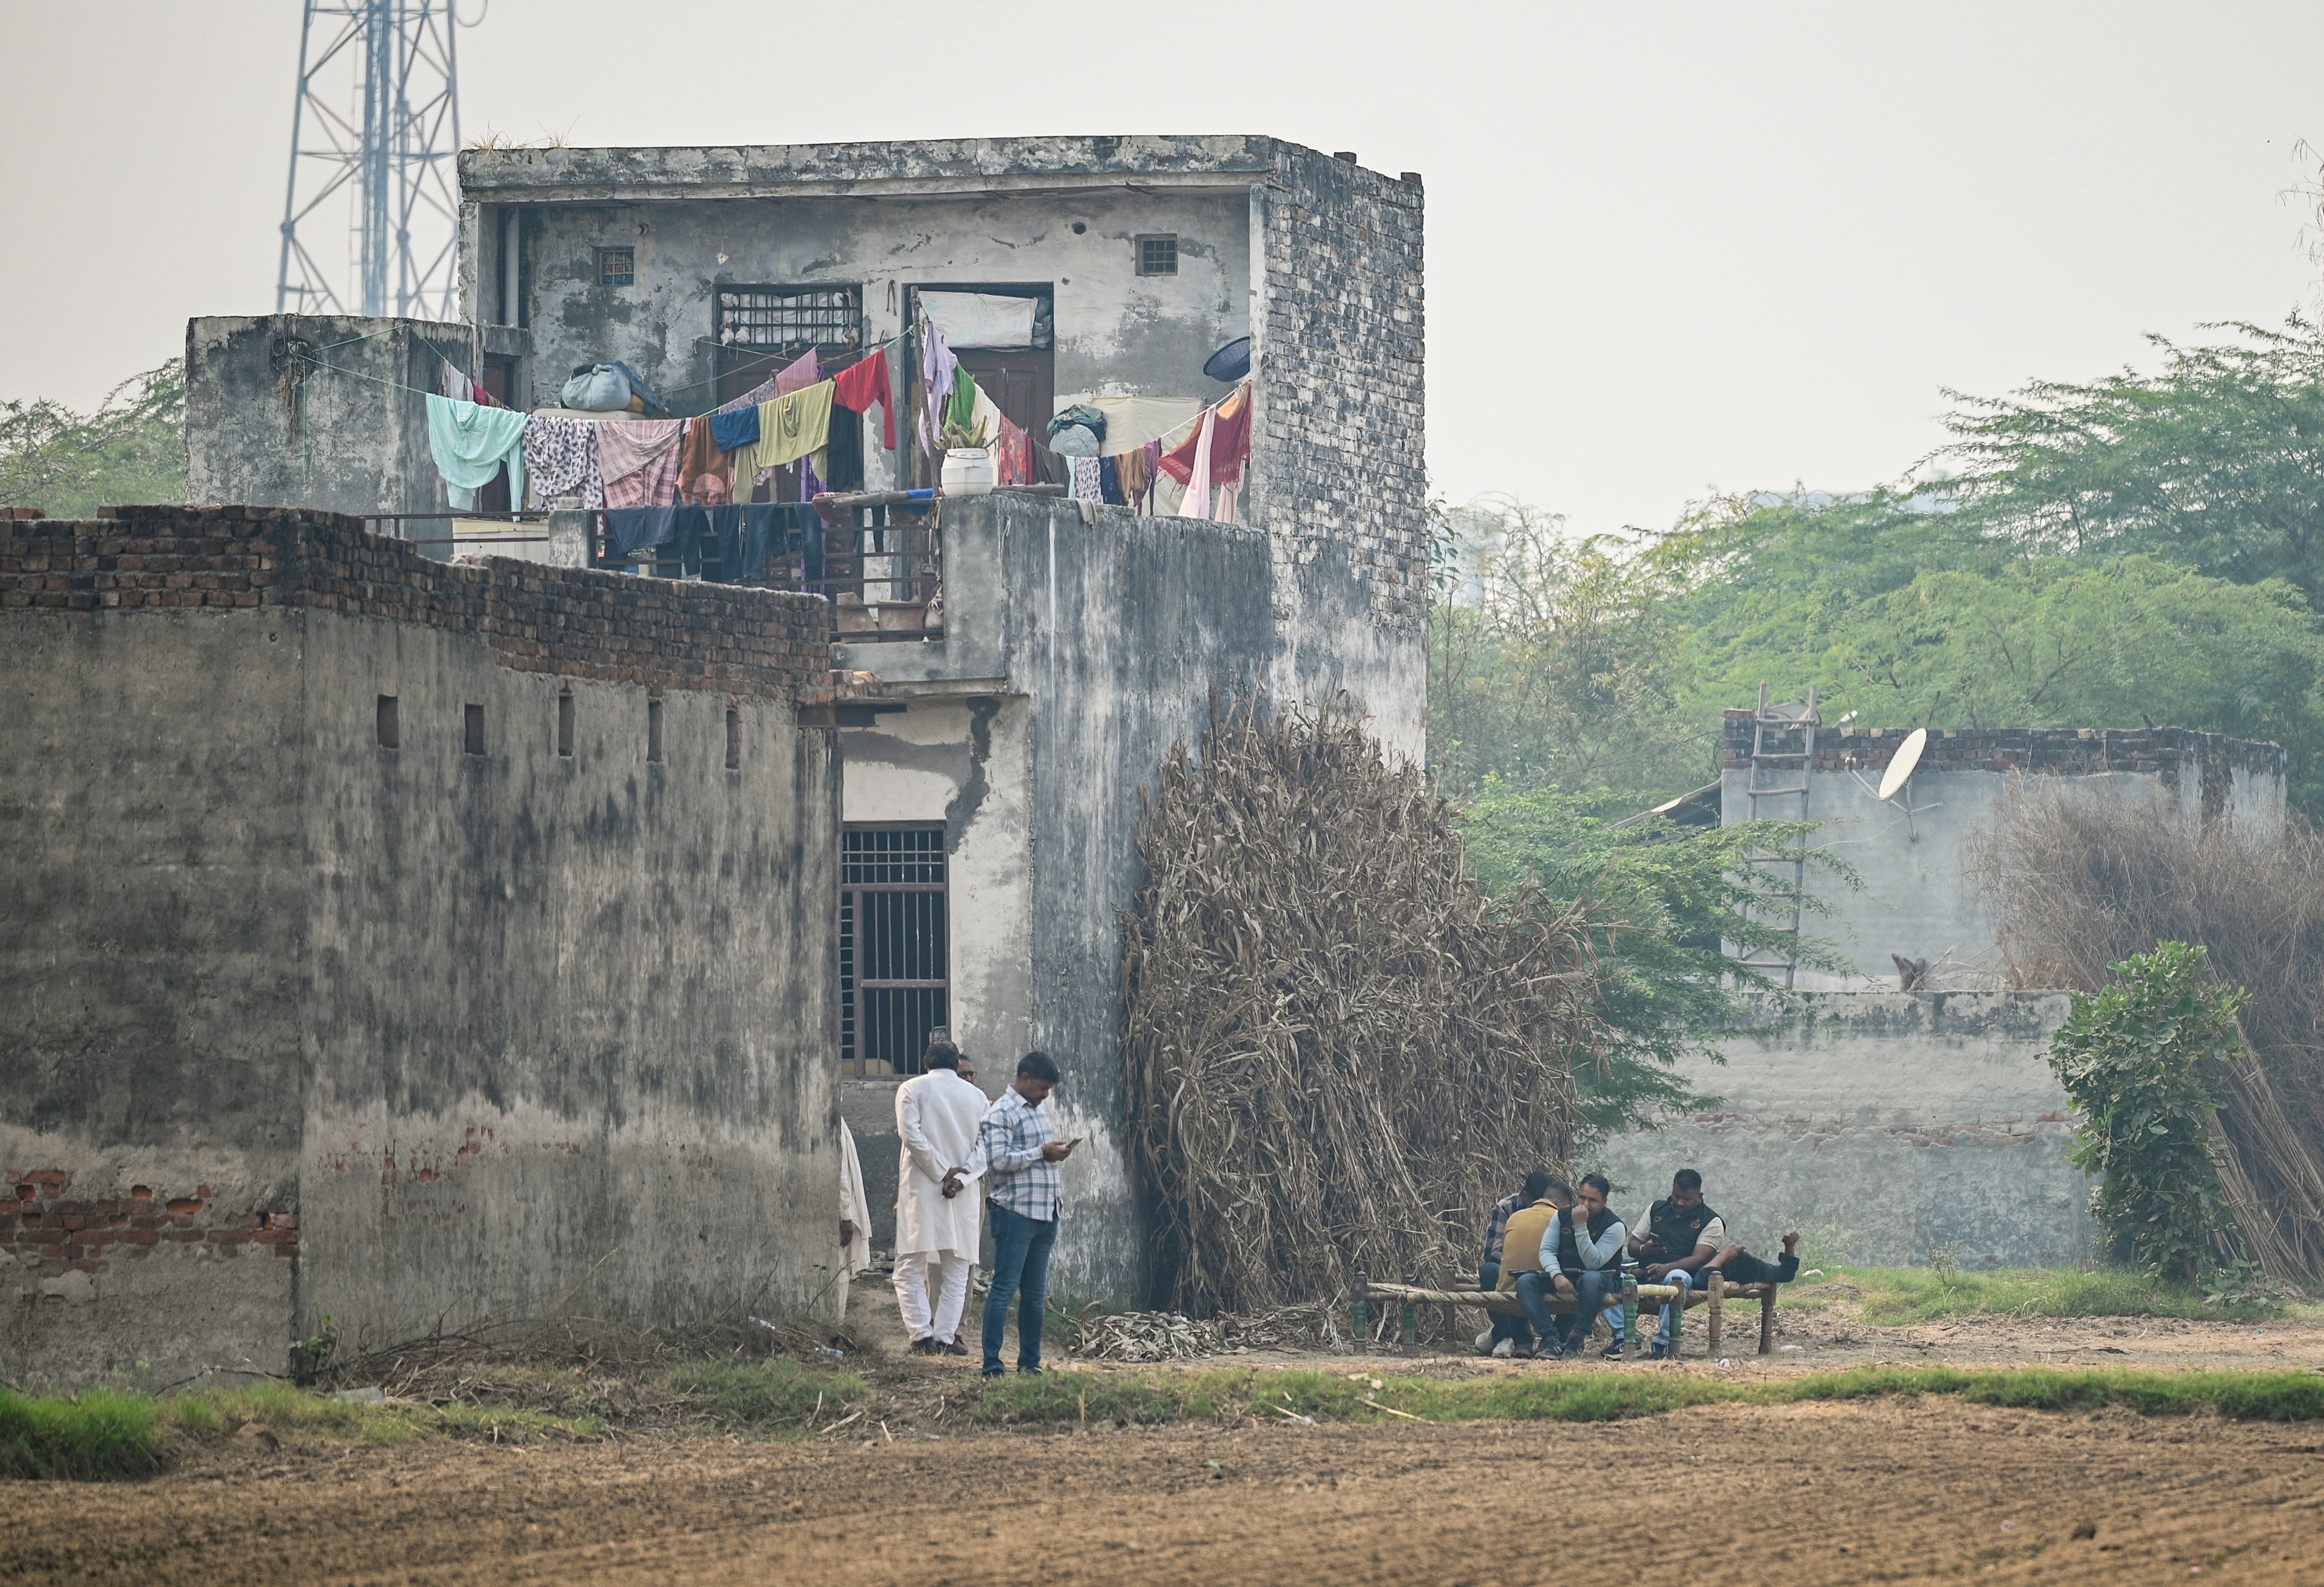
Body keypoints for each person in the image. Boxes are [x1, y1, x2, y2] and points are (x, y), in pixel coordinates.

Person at [964, 1051, 1072, 1376]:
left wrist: (1053, 1154)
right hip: (1015, 1213)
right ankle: (993, 1366)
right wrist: (1041, 1153)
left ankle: (1030, 1364)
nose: (1046, 1094)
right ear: (1024, 1078)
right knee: (1004, 1290)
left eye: (1049, 1089)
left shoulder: (1039, 1110)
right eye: (1042, 1087)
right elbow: (998, 1161)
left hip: (1045, 1210)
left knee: (1035, 1297)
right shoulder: (1001, 1113)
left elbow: (1033, 1155)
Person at [892, 1038, 987, 1356]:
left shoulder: (911, 1089)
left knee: (909, 1264)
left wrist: (941, 1171)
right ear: (957, 1062)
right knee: (957, 1270)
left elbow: (911, 1136)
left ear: (925, 1061)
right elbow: (986, 1148)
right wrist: (960, 1178)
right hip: (962, 1192)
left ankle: (921, 1336)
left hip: (922, 1188)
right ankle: (945, 1338)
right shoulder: (978, 1097)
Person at [1628, 1168, 1725, 1361]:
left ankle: (1663, 1342)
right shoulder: (1656, 1208)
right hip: (1645, 1269)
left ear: (1700, 1196)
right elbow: (1632, 1245)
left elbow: (1700, 1259)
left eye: (1686, 1199)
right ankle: (1626, 1339)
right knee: (1610, 1277)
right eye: (1676, 1196)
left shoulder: (1712, 1221)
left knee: (1676, 1279)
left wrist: (1666, 1268)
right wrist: (1644, 1250)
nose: (1679, 1203)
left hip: (1683, 1274)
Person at [1535, 1172, 1627, 1359]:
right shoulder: (1561, 1216)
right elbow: (1546, 1250)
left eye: (1592, 1200)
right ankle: (1552, 1340)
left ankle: (1577, 1339)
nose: (1585, 1205)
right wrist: (1556, 1275)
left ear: (1605, 1202)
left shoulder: (1615, 1226)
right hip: (1565, 1277)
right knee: (1526, 1282)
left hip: (1601, 1281)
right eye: (1582, 1197)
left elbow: (1593, 1264)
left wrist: (1580, 1226)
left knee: (1591, 1279)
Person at [1479, 1170, 1558, 1356]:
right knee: (1490, 1271)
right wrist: (1518, 1260)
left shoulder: (1556, 1210)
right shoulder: (1507, 1207)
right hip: (1511, 1272)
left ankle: (1550, 1338)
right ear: (1526, 1197)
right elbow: (1492, 1252)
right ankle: (1508, 1336)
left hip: (1545, 1273)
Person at [1496, 1178, 1573, 1358]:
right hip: (1541, 1290)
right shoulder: (1562, 1219)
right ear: (1565, 1204)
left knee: (1519, 1277)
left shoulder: (1515, 1217)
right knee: (1582, 1285)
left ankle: (1523, 1343)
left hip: (1506, 1290)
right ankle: (1557, 1337)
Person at [834, 1119, 874, 1323]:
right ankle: (836, 1324)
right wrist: (846, 1217)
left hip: (842, 1210)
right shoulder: (834, 1123)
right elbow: (841, 1174)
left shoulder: (839, 1122)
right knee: (839, 1272)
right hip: (840, 1213)